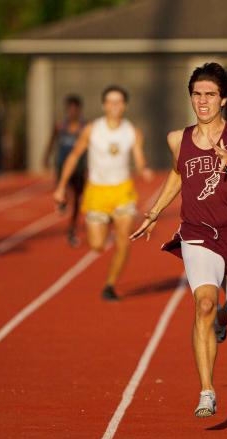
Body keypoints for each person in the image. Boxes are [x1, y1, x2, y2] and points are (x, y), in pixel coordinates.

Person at [129, 62, 227, 418]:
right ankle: (207, 391)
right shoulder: (177, 139)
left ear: (223, 98)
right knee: (204, 304)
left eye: (210, 94)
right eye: (197, 94)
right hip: (197, 236)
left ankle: (225, 321)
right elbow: (178, 174)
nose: (203, 101)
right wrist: (153, 212)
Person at [53, 85, 152, 301]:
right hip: (97, 192)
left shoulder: (132, 132)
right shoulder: (92, 129)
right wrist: (61, 186)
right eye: (110, 101)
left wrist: (144, 169)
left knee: (123, 240)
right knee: (97, 245)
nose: (114, 106)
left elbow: (139, 158)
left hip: (123, 191)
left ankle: (110, 284)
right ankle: (106, 222)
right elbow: (73, 156)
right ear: (103, 105)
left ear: (124, 105)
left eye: (118, 102)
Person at [43, 94, 88, 246]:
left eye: (75, 109)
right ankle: (63, 200)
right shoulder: (60, 126)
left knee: (78, 199)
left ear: (79, 110)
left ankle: (71, 229)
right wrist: (46, 157)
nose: (72, 112)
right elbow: (51, 141)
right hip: (62, 166)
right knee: (63, 189)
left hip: (80, 168)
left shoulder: (85, 128)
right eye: (70, 109)